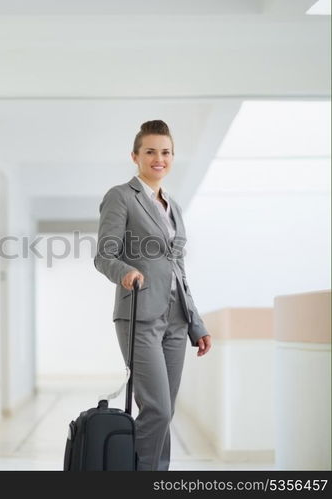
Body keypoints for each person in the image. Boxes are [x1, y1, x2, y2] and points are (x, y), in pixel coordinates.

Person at [94, 119, 212, 471]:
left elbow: (179, 270)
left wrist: (196, 323)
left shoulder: (172, 206)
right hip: (140, 314)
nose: (158, 158)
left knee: (165, 412)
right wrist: (126, 272)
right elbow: (104, 255)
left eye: (165, 152)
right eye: (150, 152)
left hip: (176, 319)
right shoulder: (121, 197)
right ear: (135, 156)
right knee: (157, 407)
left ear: (172, 157)